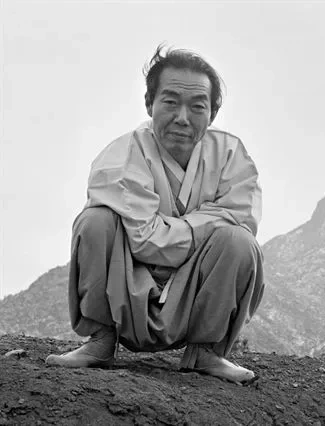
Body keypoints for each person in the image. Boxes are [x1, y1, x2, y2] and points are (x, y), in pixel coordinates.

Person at [45, 45, 265, 385]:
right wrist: (207, 223)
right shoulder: (121, 156)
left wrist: (177, 230)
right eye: (171, 102)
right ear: (149, 103)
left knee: (239, 242)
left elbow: (243, 220)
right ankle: (101, 340)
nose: (182, 117)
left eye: (197, 106)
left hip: (195, 286)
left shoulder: (231, 155)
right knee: (96, 222)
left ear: (213, 113)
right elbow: (147, 242)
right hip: (129, 279)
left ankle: (206, 351)